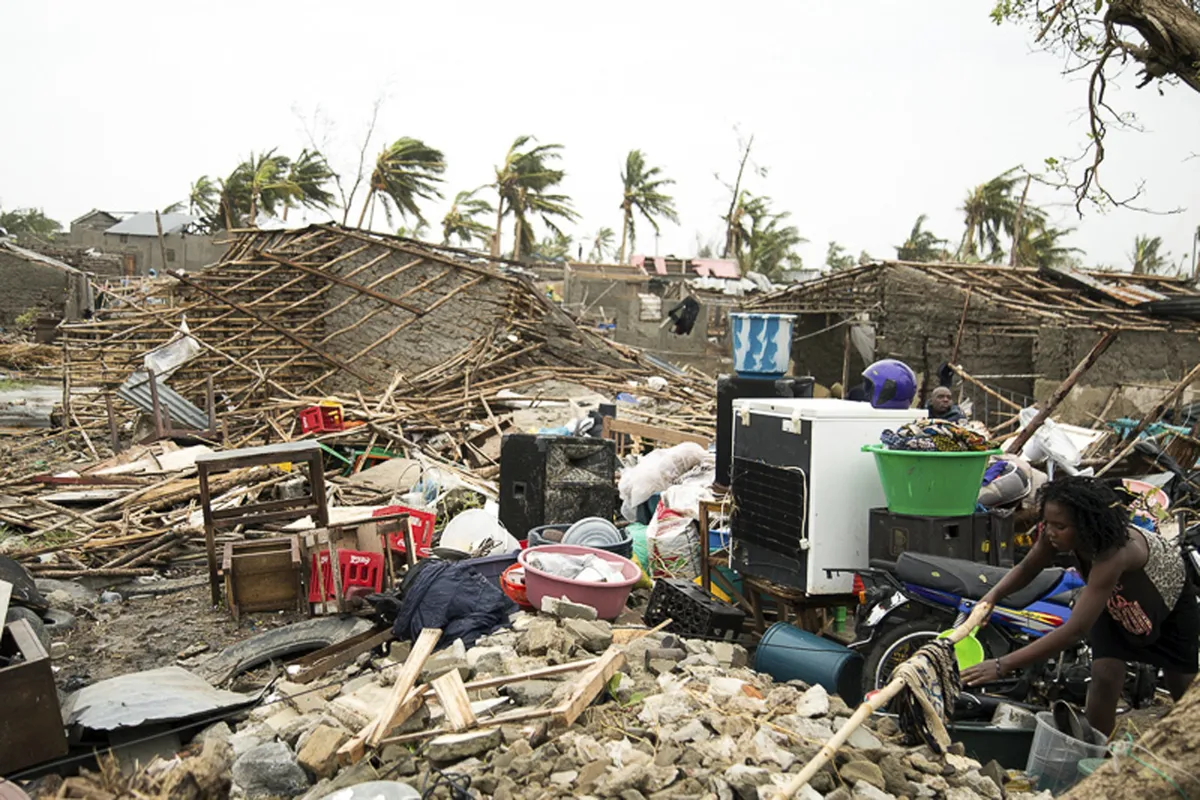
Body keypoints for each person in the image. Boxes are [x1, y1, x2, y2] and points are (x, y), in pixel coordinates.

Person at [962, 476, 1199, 734]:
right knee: (1104, 675)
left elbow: (1076, 629)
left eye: (1060, 526)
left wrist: (1002, 665)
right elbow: (1028, 566)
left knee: (1183, 690)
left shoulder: (1116, 552)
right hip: (1114, 604)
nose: (1050, 531)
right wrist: (993, 596)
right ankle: (1094, 752)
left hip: (1166, 606)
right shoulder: (1054, 536)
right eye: (1047, 523)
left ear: (1087, 526)